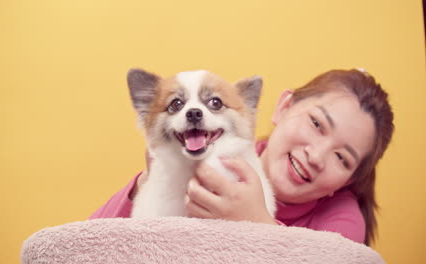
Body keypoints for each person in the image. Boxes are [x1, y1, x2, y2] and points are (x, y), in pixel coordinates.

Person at [89, 69, 394, 246]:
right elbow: (88, 242)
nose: (316, 155)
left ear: (347, 182)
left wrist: (258, 223)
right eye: (316, 124)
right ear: (283, 107)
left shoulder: (342, 221)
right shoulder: (201, 153)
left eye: (342, 158)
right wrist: (150, 182)